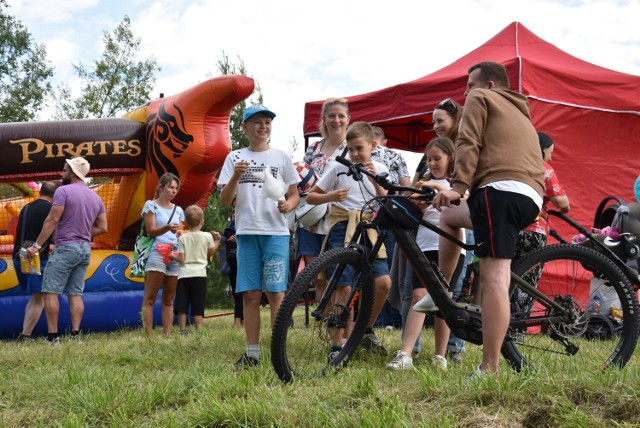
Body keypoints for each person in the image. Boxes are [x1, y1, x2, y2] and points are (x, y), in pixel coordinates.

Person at [431, 61, 545, 375]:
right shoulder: (521, 112)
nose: (465, 93)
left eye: (470, 85)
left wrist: (458, 187)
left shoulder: (481, 99)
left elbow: (469, 142)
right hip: (530, 196)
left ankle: (489, 369)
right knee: (450, 217)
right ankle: (441, 291)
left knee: (495, 279)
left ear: (490, 86)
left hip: (501, 190)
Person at [218, 104, 300, 368]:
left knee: (276, 293)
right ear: (244, 128)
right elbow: (224, 200)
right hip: (246, 232)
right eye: (257, 122)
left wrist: (290, 205)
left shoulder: (281, 157)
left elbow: (295, 194)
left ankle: (279, 350)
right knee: (250, 294)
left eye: (267, 122)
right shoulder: (234, 158)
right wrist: (235, 178)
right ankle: (252, 353)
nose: (263, 127)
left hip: (276, 232)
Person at [306, 121, 391, 360]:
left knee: (383, 283)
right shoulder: (338, 166)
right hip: (342, 225)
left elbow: (386, 200)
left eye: (359, 149)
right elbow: (312, 197)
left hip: (369, 226)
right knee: (342, 285)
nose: (353, 154)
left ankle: (362, 331)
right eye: (350, 149)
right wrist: (332, 196)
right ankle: (337, 343)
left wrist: (375, 179)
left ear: (373, 146)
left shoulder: (380, 167)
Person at [386, 137, 465, 370]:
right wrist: (418, 202)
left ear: (450, 158)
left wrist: (440, 189)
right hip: (424, 246)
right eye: (429, 159)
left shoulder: (458, 183)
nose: (432, 163)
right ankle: (406, 354)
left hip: (451, 247)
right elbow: (413, 211)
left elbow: (464, 200)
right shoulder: (423, 183)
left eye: (437, 159)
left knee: (444, 300)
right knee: (419, 296)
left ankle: (440, 356)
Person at [25, 157, 107, 344]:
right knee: (75, 294)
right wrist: (83, 232)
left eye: (64, 170)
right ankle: (76, 335)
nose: (61, 174)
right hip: (85, 249)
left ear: (73, 172)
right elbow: (103, 227)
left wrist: (36, 246)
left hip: (65, 248)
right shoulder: (95, 197)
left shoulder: (63, 191)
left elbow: (52, 220)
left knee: (50, 291)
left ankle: (53, 337)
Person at [510, 131, 570, 317]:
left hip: (509, 228)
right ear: (540, 150)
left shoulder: (512, 165)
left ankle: (497, 322)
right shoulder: (543, 167)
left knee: (504, 276)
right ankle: (516, 328)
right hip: (534, 231)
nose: (551, 156)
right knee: (528, 279)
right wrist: (565, 205)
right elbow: (562, 203)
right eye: (549, 151)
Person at [297, 98, 350, 295]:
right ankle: (323, 321)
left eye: (341, 116)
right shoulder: (314, 148)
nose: (336, 120)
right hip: (312, 217)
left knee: (338, 275)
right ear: (325, 119)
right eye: (332, 116)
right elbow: (303, 178)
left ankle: (337, 320)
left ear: (348, 119)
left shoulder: (352, 147)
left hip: (338, 216)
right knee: (318, 276)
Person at [371, 125, 410, 328]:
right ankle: (394, 319)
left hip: (368, 216)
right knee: (393, 269)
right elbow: (405, 186)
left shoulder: (359, 153)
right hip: (391, 215)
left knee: (373, 270)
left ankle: (374, 319)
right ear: (384, 141)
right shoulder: (395, 156)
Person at [12, 181, 61, 341]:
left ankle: (25, 334)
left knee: (36, 297)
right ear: (55, 195)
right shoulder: (51, 210)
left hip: (19, 256)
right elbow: (53, 236)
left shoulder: (26, 207)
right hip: (35, 258)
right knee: (39, 298)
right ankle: (25, 336)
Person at [140, 172, 185, 336]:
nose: (174, 191)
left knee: (168, 298)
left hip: (174, 252)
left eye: (176, 188)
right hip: (157, 251)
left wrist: (183, 233)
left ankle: (167, 334)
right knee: (150, 296)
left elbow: (180, 231)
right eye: (171, 187)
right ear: (161, 187)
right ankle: (149, 334)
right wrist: (167, 228)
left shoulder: (179, 210)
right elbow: (150, 231)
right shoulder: (150, 205)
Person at [169, 205, 221, 333]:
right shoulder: (208, 236)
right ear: (202, 221)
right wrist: (218, 240)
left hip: (184, 275)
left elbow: (181, 259)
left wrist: (171, 256)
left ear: (186, 223)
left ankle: (182, 329)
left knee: (182, 303)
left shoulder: (182, 238)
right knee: (198, 303)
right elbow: (211, 252)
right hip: (200, 275)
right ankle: (199, 329)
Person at [222, 204, 243, 328]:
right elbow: (223, 238)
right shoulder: (230, 227)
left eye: (237, 210)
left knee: (244, 291)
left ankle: (239, 319)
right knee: (236, 291)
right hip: (233, 261)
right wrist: (228, 238)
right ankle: (239, 319)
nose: (235, 213)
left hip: (245, 260)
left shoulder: (246, 224)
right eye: (233, 211)